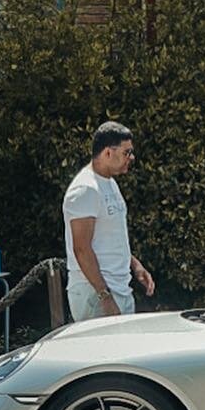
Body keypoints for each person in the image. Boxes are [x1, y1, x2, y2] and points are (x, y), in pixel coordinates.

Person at [62, 120, 156, 320]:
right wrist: (104, 296)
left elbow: (111, 236)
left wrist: (135, 266)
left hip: (118, 287)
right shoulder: (85, 189)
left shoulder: (109, 183)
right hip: (95, 291)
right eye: (126, 152)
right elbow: (82, 248)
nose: (131, 157)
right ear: (107, 153)